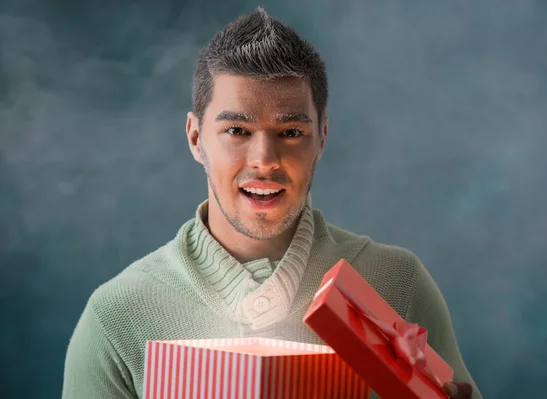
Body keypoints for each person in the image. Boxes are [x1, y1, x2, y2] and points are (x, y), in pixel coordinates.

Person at [62, 7, 481, 399]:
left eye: (291, 132)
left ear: (322, 137)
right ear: (195, 138)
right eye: (237, 131)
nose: (264, 160)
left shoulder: (396, 283)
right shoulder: (118, 315)